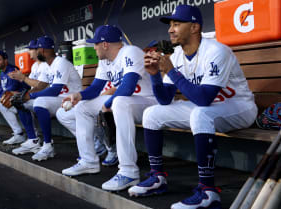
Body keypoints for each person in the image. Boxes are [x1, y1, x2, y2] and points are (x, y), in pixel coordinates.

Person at [128, 5, 257, 209]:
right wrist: (155, 76)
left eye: (177, 24)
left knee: (200, 114)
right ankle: (157, 177)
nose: (171, 30)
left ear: (195, 27)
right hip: (207, 107)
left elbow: (204, 99)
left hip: (238, 107)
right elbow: (164, 100)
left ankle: (208, 191)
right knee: (152, 113)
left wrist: (171, 71)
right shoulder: (177, 56)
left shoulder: (216, 51)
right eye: (170, 25)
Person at [60, 25, 157, 192]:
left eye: (96, 44)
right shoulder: (105, 60)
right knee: (83, 106)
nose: (94, 47)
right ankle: (88, 161)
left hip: (147, 103)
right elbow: (96, 88)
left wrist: (107, 103)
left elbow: (127, 87)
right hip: (126, 102)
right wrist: (78, 96)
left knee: (119, 102)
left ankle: (128, 171)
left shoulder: (130, 52)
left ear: (105, 44)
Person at [11, 36, 82, 161]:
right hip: (57, 99)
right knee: (20, 102)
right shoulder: (47, 65)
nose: (33, 52)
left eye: (36, 49)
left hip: (70, 99)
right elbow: (41, 86)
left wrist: (31, 95)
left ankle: (48, 145)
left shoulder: (60, 63)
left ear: (42, 50)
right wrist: (25, 95)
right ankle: (33, 141)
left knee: (39, 102)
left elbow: (55, 90)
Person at [56, 81, 119, 166]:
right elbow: (95, 88)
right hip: (97, 99)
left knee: (92, 111)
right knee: (62, 113)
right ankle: (94, 142)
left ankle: (112, 148)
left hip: (114, 101)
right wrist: (80, 98)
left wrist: (94, 100)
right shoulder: (103, 69)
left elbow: (119, 87)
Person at [0, 39, 50, 145]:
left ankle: (33, 138)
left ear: (38, 50)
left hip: (46, 96)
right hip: (37, 96)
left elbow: (41, 85)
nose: (29, 52)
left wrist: (22, 78)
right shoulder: (34, 65)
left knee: (21, 101)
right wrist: (18, 79)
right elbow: (30, 84)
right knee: (16, 100)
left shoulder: (45, 65)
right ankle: (29, 136)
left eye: (31, 49)